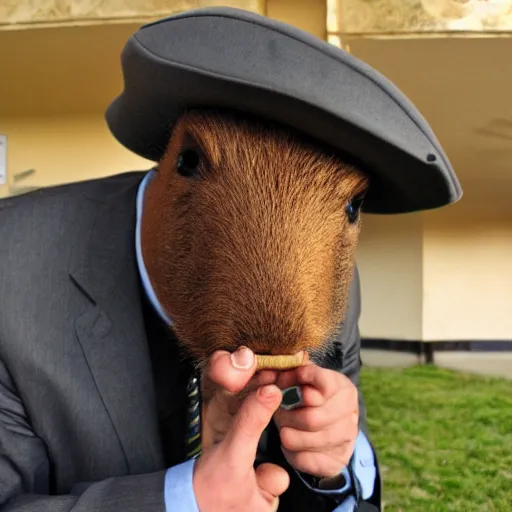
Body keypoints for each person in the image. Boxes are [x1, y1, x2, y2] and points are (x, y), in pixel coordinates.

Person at [0, 7, 461, 512]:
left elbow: (348, 491)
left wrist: (333, 460)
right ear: (173, 160)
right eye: (195, 163)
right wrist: (180, 501)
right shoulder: (12, 268)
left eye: (348, 206)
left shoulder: (334, 282)